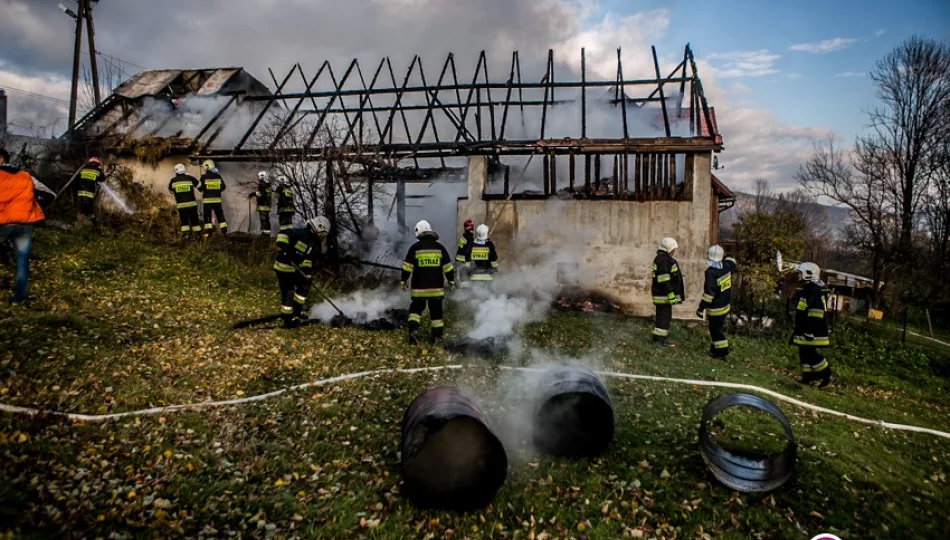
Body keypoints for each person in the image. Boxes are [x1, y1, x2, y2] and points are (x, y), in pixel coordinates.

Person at [0, 148, 45, 306]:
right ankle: (18, 300)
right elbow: (50, 194)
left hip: (2, 224)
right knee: (22, 262)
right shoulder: (26, 176)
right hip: (24, 225)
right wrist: (32, 204)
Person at [401, 220, 456, 345]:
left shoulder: (415, 248)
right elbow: (448, 267)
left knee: (415, 309)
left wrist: (404, 280)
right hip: (436, 289)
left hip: (419, 288)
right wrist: (451, 280)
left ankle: (413, 331)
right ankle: (437, 338)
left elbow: (407, 266)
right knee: (436, 312)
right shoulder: (440, 248)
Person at [274, 216, 331, 328]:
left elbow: (309, 261)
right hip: (283, 267)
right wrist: (285, 248)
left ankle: (296, 313)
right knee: (289, 292)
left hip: (295, 269)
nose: (322, 236)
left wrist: (308, 275)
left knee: (303, 289)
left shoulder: (314, 244)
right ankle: (287, 319)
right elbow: (283, 234)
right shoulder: (300, 233)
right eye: (322, 233)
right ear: (319, 227)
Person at [791, 262, 834, 388]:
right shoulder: (810, 288)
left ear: (808, 273)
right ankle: (808, 377)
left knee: (810, 354)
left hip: (812, 330)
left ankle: (827, 375)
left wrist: (809, 331)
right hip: (806, 328)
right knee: (803, 351)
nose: (798, 275)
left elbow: (816, 311)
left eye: (800, 273)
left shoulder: (813, 289)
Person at [696, 245, 736, 358]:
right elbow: (732, 261)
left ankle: (722, 352)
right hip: (725, 306)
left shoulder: (711, 273)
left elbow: (709, 295)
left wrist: (701, 308)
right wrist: (728, 255)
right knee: (717, 328)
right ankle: (714, 350)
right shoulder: (727, 267)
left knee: (715, 331)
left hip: (715, 309)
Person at [650, 237, 684, 346]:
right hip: (663, 296)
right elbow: (664, 280)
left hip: (663, 296)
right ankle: (660, 340)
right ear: (668, 249)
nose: (674, 252)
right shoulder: (663, 261)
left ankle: (658, 338)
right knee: (664, 318)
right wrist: (671, 295)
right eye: (673, 250)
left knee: (663, 317)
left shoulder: (663, 259)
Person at [167, 163, 202, 238]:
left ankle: (186, 235)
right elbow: (199, 185)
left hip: (181, 205)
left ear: (176, 171)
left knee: (184, 220)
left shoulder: (173, 180)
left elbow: (171, 191)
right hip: (192, 204)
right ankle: (198, 235)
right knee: (194, 219)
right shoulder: (190, 178)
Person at [198, 159, 227, 237]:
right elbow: (223, 187)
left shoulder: (203, 177)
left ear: (208, 166)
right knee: (220, 215)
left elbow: (200, 189)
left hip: (207, 201)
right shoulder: (218, 176)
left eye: (204, 167)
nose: (204, 168)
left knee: (207, 218)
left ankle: (208, 234)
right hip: (217, 200)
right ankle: (224, 233)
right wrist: (216, 190)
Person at [76, 157, 103, 224]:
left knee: (82, 205)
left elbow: (78, 178)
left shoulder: (83, 168)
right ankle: (92, 222)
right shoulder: (97, 170)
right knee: (89, 206)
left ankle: (80, 219)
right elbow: (102, 179)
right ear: (97, 163)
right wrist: (101, 171)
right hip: (89, 192)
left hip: (81, 191)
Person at [249, 171, 272, 236]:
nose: (258, 178)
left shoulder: (262, 184)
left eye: (259, 176)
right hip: (267, 206)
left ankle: (264, 234)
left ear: (262, 176)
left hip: (263, 205)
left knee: (263, 220)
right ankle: (267, 233)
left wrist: (253, 193)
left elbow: (262, 194)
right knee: (266, 220)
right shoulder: (269, 185)